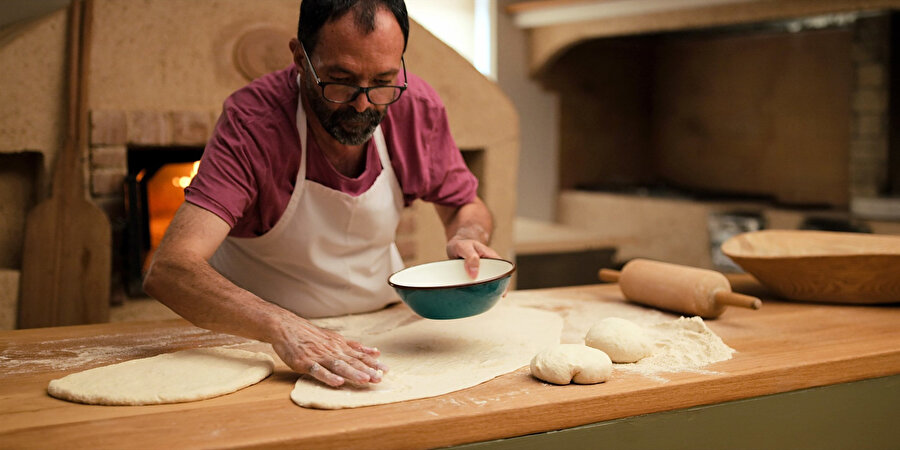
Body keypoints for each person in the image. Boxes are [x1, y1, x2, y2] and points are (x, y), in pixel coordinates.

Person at [143, 0, 500, 389]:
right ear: (300, 57)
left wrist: (468, 236)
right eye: (341, 80)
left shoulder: (416, 109)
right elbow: (170, 270)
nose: (363, 104)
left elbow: (466, 206)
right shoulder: (254, 122)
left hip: (379, 332)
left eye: (382, 81)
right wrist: (281, 325)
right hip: (260, 344)